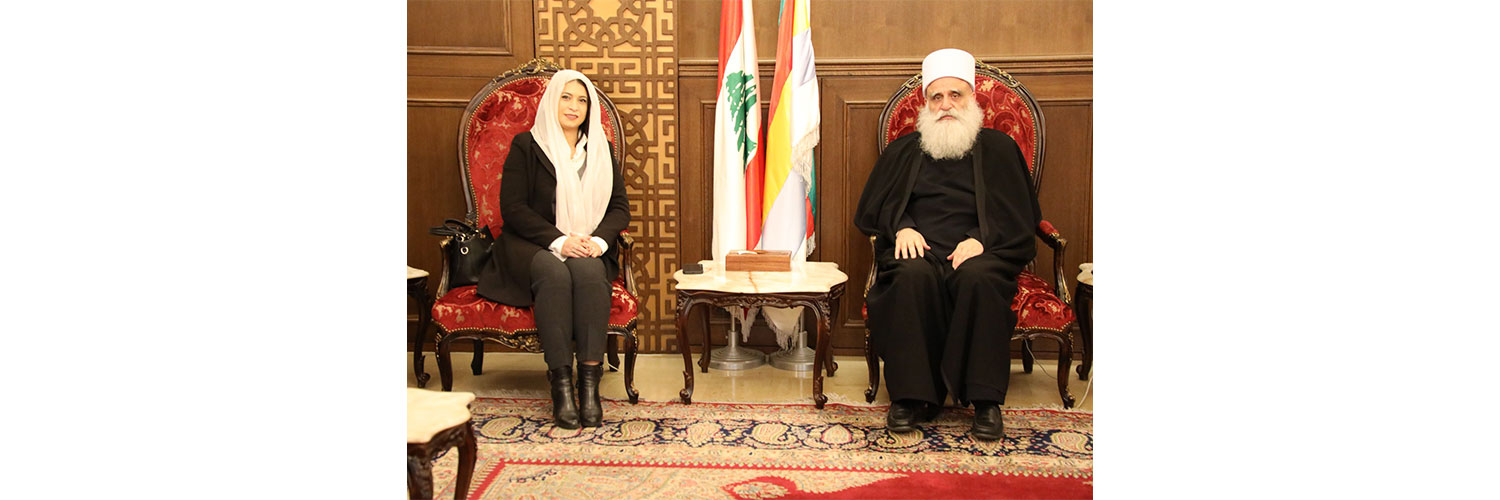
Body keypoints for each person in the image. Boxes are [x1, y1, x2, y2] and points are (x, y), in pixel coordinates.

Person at [853, 48, 1041, 441]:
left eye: (955, 95)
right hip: (919, 249)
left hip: (981, 251)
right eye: (936, 97)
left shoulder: (999, 149)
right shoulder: (904, 151)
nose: (946, 105)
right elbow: (873, 208)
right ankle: (909, 397)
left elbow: (1021, 215)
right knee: (909, 276)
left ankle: (985, 402)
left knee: (980, 278)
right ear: (925, 104)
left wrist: (982, 239)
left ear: (972, 98)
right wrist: (902, 227)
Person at [476, 70, 630, 430]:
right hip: (531, 244)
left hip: (587, 242)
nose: (574, 106)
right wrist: (560, 241)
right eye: (566, 97)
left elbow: (619, 208)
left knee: (591, 272)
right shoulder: (527, 146)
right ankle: (561, 386)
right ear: (552, 101)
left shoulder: (601, 150)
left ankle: (588, 386)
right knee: (554, 273)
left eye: (582, 100)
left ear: (590, 108)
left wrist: (598, 242)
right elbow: (513, 209)